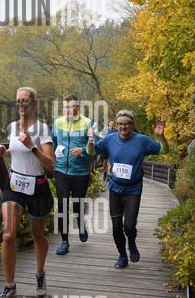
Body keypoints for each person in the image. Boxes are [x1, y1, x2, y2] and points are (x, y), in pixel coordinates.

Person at [0, 87, 55, 298]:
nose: (21, 104)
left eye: (25, 101)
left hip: (37, 187)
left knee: (38, 235)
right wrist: (5, 152)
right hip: (14, 185)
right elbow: (15, 151)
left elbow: (50, 164)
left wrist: (32, 146)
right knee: (8, 235)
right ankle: (9, 286)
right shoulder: (12, 127)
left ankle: (40, 274)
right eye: (18, 101)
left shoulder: (42, 129)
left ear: (34, 104)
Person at [87, 110, 169, 269]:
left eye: (126, 124)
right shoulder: (110, 139)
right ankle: (122, 255)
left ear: (132, 125)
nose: (123, 127)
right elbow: (91, 151)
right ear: (117, 124)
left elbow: (164, 150)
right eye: (120, 124)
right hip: (115, 188)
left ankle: (131, 242)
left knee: (129, 226)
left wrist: (161, 137)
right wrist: (90, 139)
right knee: (116, 227)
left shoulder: (141, 140)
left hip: (133, 189)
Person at [52, 94, 94, 255]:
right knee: (62, 205)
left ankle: (81, 223)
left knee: (77, 205)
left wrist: (83, 149)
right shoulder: (58, 123)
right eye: (65, 107)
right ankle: (64, 241)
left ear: (78, 107)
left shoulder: (88, 123)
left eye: (71, 107)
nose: (68, 110)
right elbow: (53, 143)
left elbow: (95, 148)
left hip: (80, 172)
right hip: (61, 170)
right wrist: (54, 159)